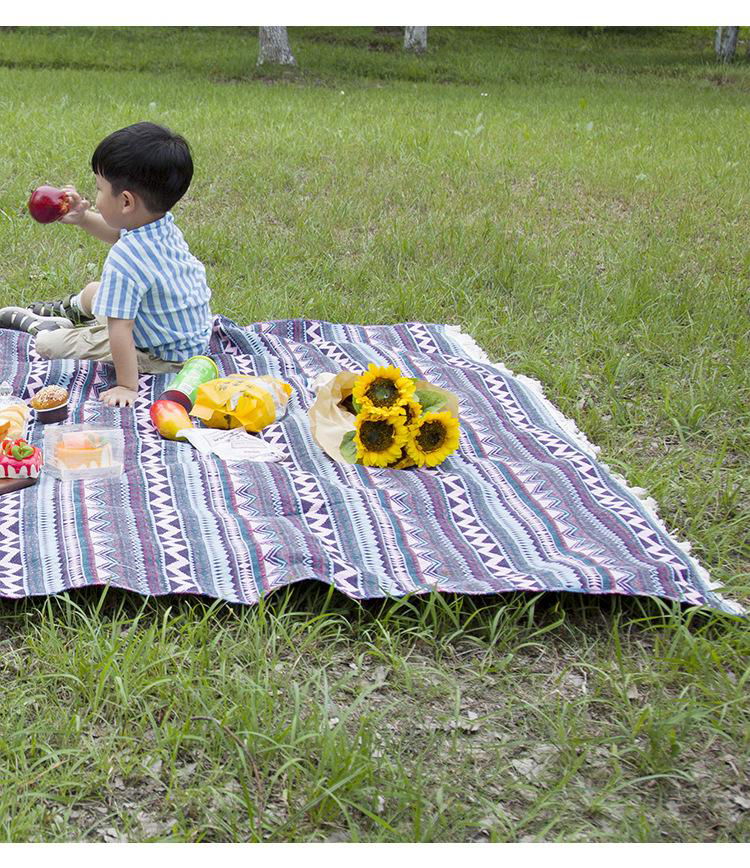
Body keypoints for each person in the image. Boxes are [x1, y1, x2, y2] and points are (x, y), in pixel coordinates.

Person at [0, 122, 213, 407]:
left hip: (159, 354)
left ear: (126, 201)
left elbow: (120, 329)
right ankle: (72, 310)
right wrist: (84, 218)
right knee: (93, 292)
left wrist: (127, 385)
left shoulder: (125, 258)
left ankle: (48, 327)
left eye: (99, 189)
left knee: (48, 346)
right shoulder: (159, 224)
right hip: (179, 333)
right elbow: (117, 232)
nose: (95, 197)